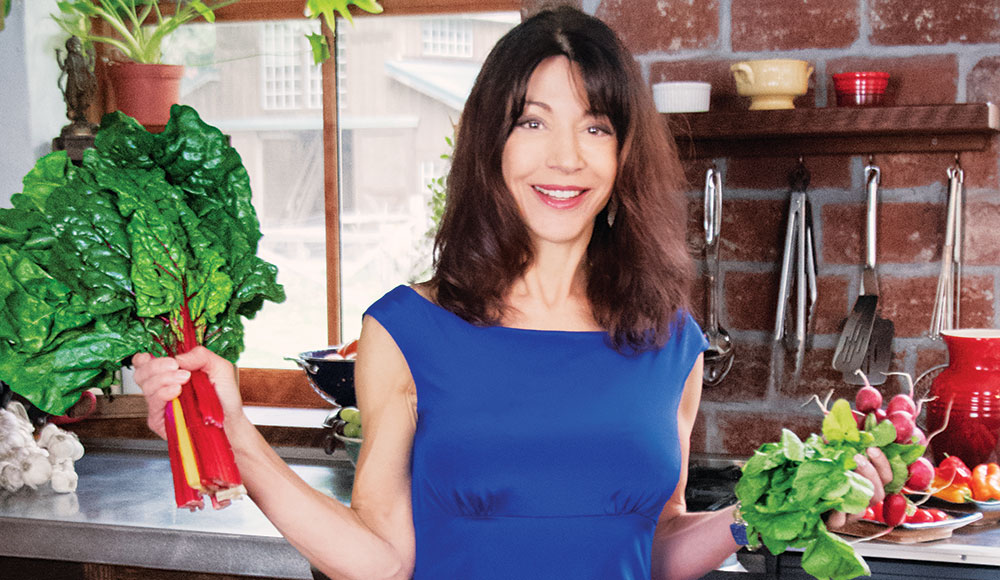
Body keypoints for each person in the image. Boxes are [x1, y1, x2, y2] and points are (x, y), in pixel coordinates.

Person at [134, 6, 891, 580]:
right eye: (533, 121)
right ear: (490, 145)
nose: (565, 158)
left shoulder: (670, 341)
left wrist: (765, 510)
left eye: (596, 128)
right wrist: (236, 437)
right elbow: (378, 559)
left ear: (625, 155)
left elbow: (651, 544)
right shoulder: (407, 330)